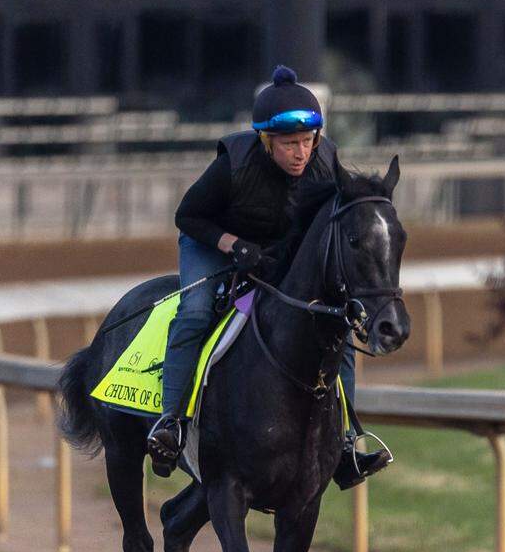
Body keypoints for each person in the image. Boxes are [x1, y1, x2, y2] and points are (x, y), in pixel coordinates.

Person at [146, 65, 391, 489]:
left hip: (275, 255)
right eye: (290, 144)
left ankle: (348, 442)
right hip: (212, 245)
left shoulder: (325, 161)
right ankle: (170, 424)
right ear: (266, 141)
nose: (301, 152)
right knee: (196, 311)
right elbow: (187, 216)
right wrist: (232, 245)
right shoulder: (233, 164)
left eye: (307, 141)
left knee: (335, 326)